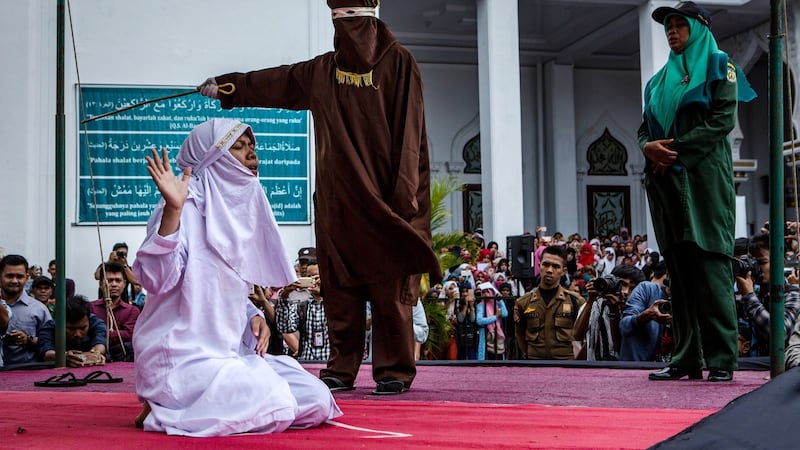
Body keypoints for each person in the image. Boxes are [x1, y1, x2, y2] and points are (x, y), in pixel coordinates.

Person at [198, 0, 441, 395]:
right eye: (339, 20)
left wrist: (404, 201)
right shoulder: (322, 71)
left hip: (388, 201)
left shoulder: (399, 63)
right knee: (340, 288)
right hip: (338, 203)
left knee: (388, 287)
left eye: (353, 19)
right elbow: (275, 82)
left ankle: (394, 369)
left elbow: (410, 135)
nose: (348, 30)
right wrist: (227, 86)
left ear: (372, 18)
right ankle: (340, 368)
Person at [131, 119, 340, 436]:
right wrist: (173, 211)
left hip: (227, 357)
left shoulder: (237, 214)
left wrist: (251, 314)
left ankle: (201, 407)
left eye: (252, 148)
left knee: (317, 399)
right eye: (238, 149)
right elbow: (156, 281)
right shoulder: (182, 208)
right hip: (181, 360)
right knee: (274, 399)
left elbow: (220, 289)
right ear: (211, 159)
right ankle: (165, 408)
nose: (252, 156)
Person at [638, 2, 755, 382]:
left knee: (711, 269)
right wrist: (647, 148)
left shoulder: (721, 66)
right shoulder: (657, 82)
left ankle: (722, 358)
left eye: (679, 26)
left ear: (699, 29)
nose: (672, 32)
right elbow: (645, 128)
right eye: (668, 26)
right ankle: (686, 358)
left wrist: (671, 151)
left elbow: (723, 119)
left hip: (703, 184)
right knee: (680, 272)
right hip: (666, 185)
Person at [735, 232, 800, 356]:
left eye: (762, 262)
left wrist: (748, 296)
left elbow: (779, 335)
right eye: (753, 262)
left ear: (781, 262)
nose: (756, 268)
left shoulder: (793, 295)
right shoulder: (755, 294)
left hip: (782, 365)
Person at [514, 246, 585, 360]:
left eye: (556, 266)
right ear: (539, 266)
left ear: (563, 271)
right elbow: (520, 334)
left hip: (566, 365)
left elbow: (585, 336)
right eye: (545, 264)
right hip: (535, 365)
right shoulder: (523, 302)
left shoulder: (576, 301)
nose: (549, 270)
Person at [574, 265, 645, 361]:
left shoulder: (638, 313)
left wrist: (614, 311)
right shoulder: (596, 305)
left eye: (632, 289)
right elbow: (577, 336)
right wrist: (590, 301)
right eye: (622, 284)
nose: (625, 292)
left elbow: (619, 348)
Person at [1, 255, 53, 366]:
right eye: (9, 276)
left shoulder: (39, 309)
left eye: (19, 276)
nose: (14, 281)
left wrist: (28, 340)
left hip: (28, 374)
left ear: (27, 277)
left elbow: (50, 343)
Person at [619, 262, 673, 361]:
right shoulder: (647, 289)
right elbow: (625, 326)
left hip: (672, 371)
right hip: (634, 370)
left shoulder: (693, 304)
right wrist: (646, 316)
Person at [90, 262, 140, 361]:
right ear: (100, 284)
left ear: (124, 284)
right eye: (109, 281)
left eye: (118, 281)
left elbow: (130, 335)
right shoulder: (91, 307)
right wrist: (116, 334)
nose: (114, 284)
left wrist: (101, 334)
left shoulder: (132, 310)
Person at [40, 295, 108, 367]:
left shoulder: (96, 323)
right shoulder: (49, 328)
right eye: (71, 329)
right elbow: (47, 353)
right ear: (59, 322)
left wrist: (97, 354)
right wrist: (63, 357)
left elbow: (100, 344)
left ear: (88, 320)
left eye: (82, 328)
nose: (77, 334)